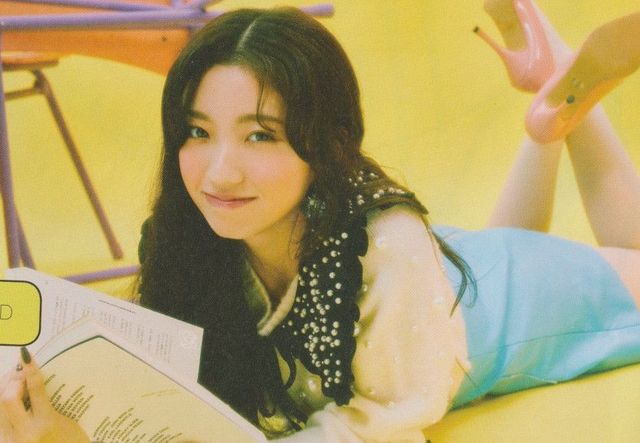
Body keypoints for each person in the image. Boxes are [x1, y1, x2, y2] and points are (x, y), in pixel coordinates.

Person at [2, 2, 640, 442]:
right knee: (500, 248)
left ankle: (566, 95)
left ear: (327, 142)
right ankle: (551, 111)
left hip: (520, 300)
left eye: (260, 135)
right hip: (446, 279)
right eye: (198, 132)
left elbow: (384, 428)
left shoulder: (387, 248)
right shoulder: (205, 234)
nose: (219, 173)